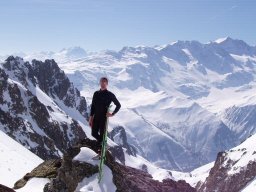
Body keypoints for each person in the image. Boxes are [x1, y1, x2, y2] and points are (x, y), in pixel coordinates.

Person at [89, 77, 121, 158]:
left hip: (104, 118)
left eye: (105, 82)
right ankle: (104, 145)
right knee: (94, 133)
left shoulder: (110, 95)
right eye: (102, 82)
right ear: (99, 83)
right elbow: (93, 106)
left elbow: (118, 105)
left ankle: (100, 153)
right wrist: (91, 117)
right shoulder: (96, 93)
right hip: (96, 117)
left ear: (107, 84)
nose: (103, 83)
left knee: (102, 135)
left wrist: (112, 114)